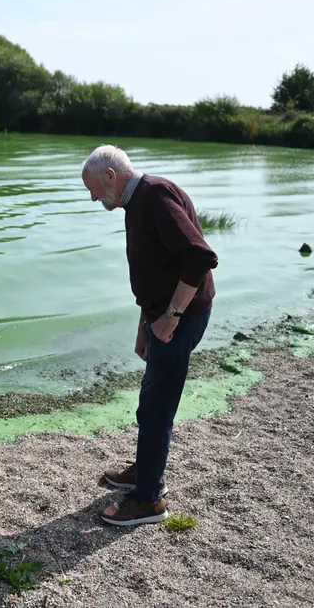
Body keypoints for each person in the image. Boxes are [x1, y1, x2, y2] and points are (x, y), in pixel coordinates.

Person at [80, 145, 218, 526]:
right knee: (150, 398)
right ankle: (145, 471)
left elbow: (199, 257)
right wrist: (146, 323)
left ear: (110, 176)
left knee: (157, 405)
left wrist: (171, 317)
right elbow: (155, 270)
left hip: (181, 317)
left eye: (93, 189)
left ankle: (149, 500)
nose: (93, 198)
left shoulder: (154, 196)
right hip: (161, 316)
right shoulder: (136, 201)